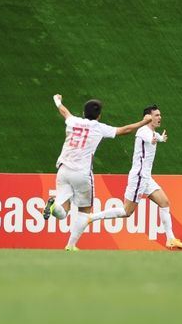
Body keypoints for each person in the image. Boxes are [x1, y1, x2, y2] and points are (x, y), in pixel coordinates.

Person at [43, 94, 152, 251]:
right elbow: (125, 130)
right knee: (84, 212)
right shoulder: (99, 128)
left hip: (63, 169)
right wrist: (144, 122)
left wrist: (57, 100)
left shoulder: (74, 121)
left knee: (62, 211)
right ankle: (71, 245)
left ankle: (53, 206)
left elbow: (64, 112)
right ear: (99, 115)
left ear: (83, 112)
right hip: (81, 173)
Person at [87, 104, 182, 249]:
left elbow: (156, 137)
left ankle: (170, 239)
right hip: (139, 177)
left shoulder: (151, 132)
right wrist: (157, 139)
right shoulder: (143, 131)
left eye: (160, 115)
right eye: (156, 115)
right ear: (148, 118)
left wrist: (161, 138)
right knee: (126, 212)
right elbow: (151, 139)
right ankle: (92, 217)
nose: (159, 118)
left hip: (147, 178)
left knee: (165, 203)